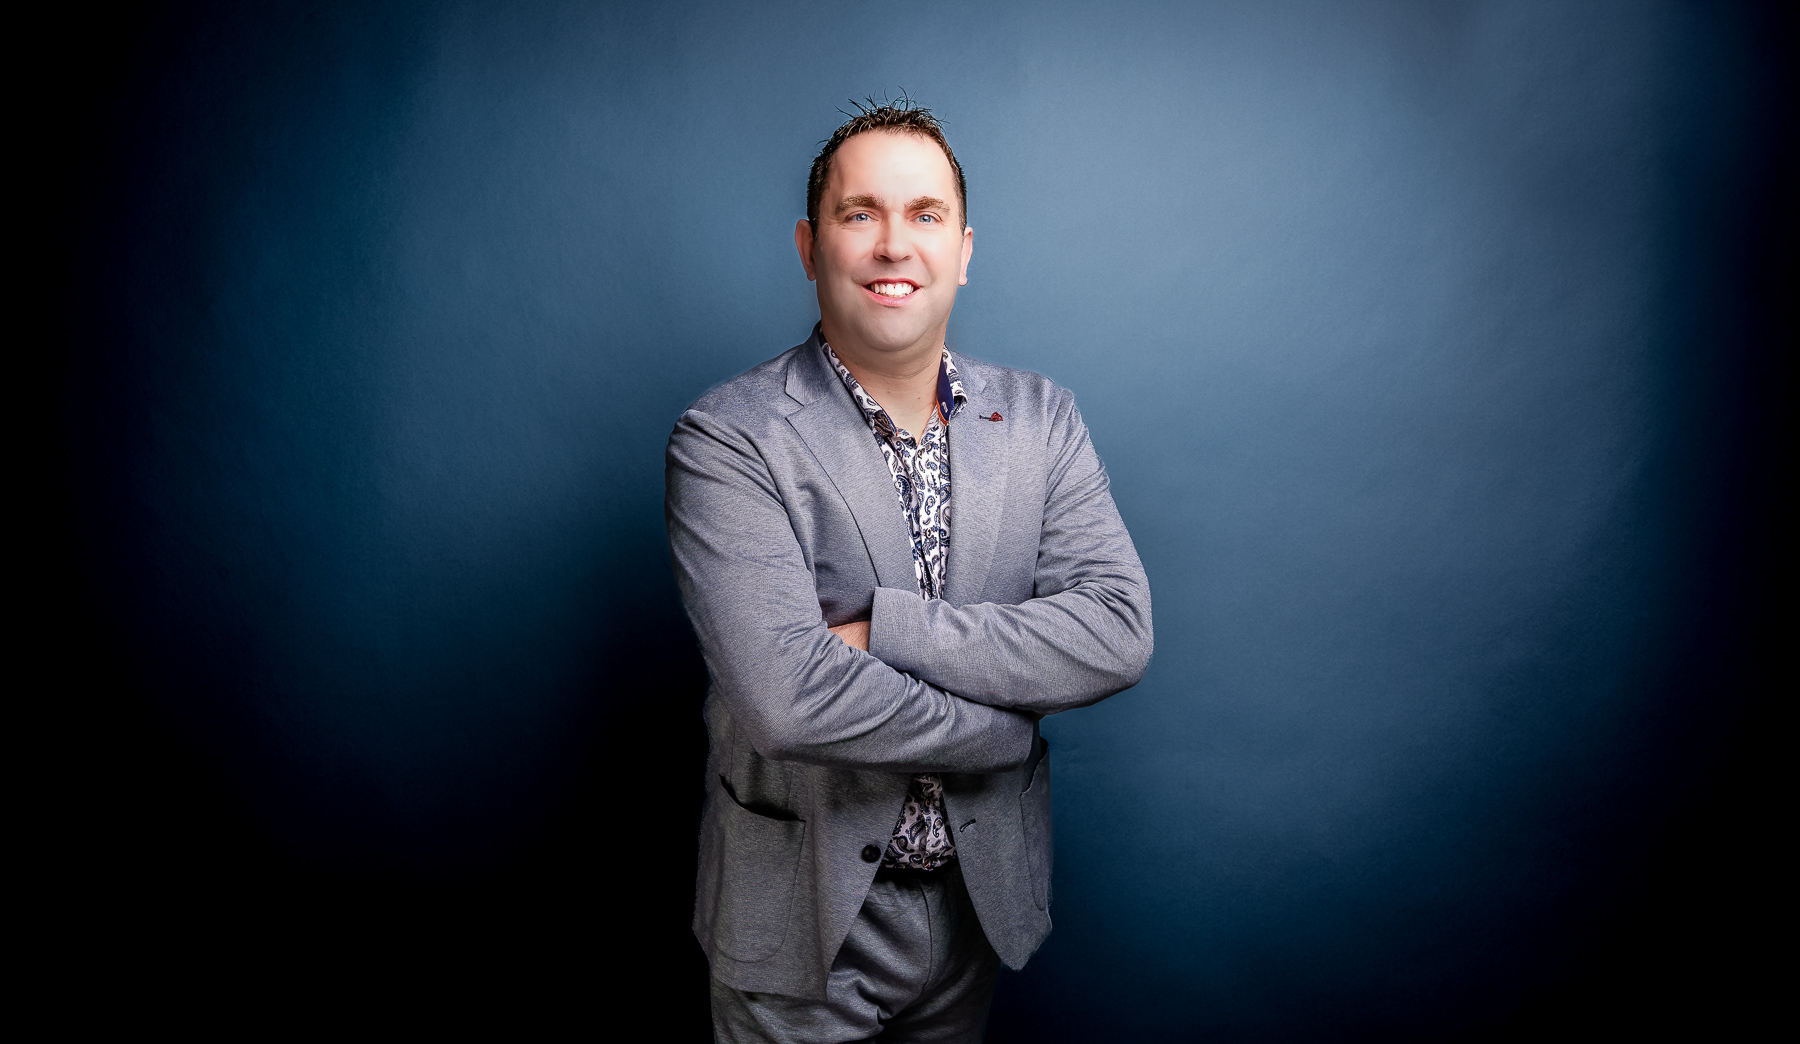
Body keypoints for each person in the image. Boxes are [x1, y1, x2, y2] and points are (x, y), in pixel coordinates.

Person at [665, 99, 1153, 1043]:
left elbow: (1116, 631)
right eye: (861, 214)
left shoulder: (1043, 420)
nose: (895, 244)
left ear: (962, 251)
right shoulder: (729, 438)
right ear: (810, 247)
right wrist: (1002, 731)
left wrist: (886, 630)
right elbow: (786, 701)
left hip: (977, 906)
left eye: (925, 215)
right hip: (801, 922)